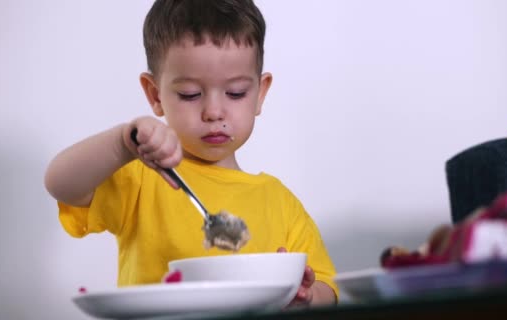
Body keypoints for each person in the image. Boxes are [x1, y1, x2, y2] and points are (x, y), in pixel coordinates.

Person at [44, 0, 338, 307]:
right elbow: (60, 183)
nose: (213, 111)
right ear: (155, 94)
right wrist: (122, 143)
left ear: (260, 94)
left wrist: (303, 295)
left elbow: (327, 289)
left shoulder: (280, 203)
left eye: (236, 92)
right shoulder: (143, 177)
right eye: (190, 95)